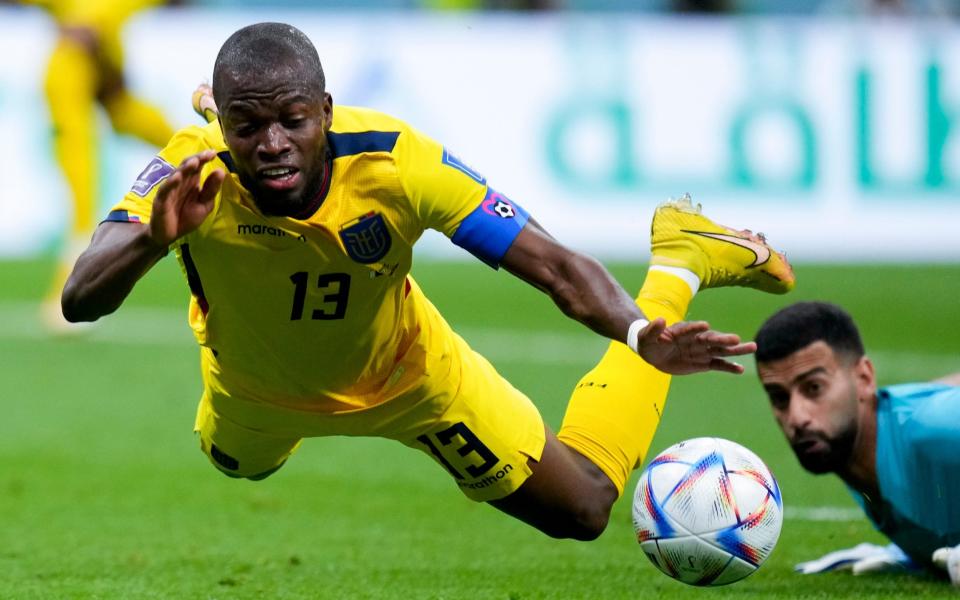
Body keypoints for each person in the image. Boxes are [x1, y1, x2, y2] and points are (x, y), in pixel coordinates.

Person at [61, 22, 795, 540]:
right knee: (235, 467)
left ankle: (679, 262)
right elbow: (80, 298)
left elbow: (551, 264)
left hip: (410, 377)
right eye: (248, 127)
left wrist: (640, 331)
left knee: (585, 511)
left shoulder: (398, 163)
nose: (274, 144)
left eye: (293, 120)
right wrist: (154, 240)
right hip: (255, 398)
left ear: (326, 110)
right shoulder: (190, 171)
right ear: (221, 125)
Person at [754, 301, 960, 582]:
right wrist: (909, 552)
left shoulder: (932, 429)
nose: (796, 417)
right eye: (779, 397)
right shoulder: (854, 453)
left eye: (814, 388)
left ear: (864, 378)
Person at [15, 0, 179, 330]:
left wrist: (100, 46)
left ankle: (204, 156)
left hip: (89, 60)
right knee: (84, 159)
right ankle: (75, 274)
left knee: (114, 126)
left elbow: (89, 26)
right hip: (76, 63)